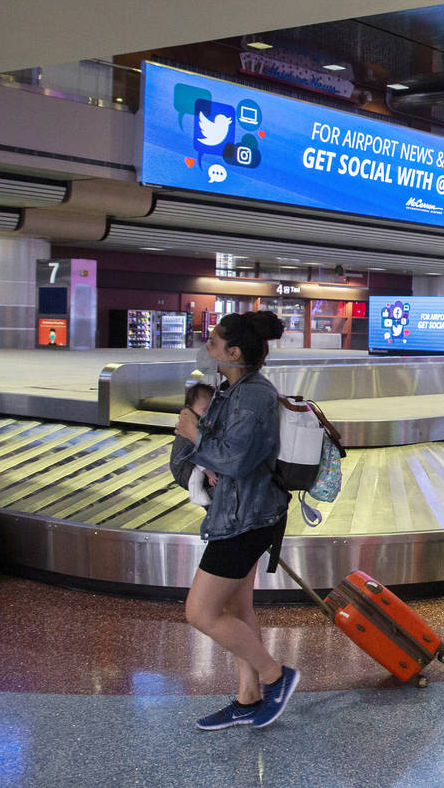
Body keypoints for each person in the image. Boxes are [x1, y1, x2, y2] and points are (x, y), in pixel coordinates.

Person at [173, 311, 300, 730]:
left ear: (234, 351)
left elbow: (235, 458)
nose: (207, 347)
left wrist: (192, 432)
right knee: (235, 606)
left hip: (248, 518)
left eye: (213, 342)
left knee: (201, 612)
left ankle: (275, 676)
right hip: (237, 512)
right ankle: (248, 697)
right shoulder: (233, 389)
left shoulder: (253, 395)